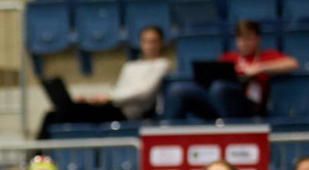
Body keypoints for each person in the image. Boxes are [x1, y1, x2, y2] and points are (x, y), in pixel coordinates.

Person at [38, 26, 171, 139]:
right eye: (146, 41)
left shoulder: (162, 64)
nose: (149, 45)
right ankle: (36, 156)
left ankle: (40, 156)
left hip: (127, 114)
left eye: (153, 41)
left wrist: (110, 97)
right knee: (53, 114)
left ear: (160, 43)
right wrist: (94, 99)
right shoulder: (131, 66)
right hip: (113, 106)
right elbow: (119, 90)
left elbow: (144, 93)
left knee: (67, 111)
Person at [164, 20, 299, 122]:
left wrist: (260, 68)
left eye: (248, 38)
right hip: (215, 104)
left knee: (220, 88)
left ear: (258, 39)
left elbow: (292, 63)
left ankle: (227, 131)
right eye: (240, 38)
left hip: (247, 107)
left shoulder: (267, 56)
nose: (244, 42)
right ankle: (168, 135)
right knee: (178, 90)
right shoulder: (228, 57)